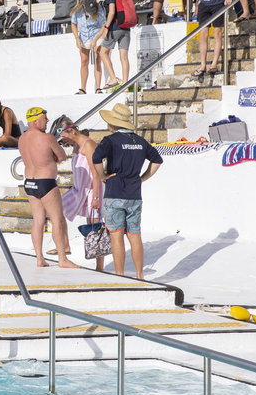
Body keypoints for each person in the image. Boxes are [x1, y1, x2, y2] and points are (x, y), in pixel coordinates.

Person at [91, 103, 162, 279]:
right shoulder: (140, 141)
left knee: (116, 235)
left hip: (114, 193)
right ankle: (139, 275)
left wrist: (102, 176)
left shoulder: (110, 140)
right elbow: (157, 160)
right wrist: (143, 178)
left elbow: (96, 158)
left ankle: (120, 275)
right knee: (134, 235)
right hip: (134, 195)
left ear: (113, 124)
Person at [19, 107, 78, 269]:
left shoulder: (22, 139)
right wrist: (50, 158)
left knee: (38, 220)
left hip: (29, 183)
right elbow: (61, 156)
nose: (47, 121)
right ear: (35, 120)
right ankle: (62, 259)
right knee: (57, 220)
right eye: (45, 118)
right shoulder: (47, 138)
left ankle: (39, 258)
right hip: (45, 182)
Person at [55, 119, 105, 271]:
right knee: (56, 210)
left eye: (63, 136)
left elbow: (96, 173)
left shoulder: (88, 144)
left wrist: (96, 197)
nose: (63, 140)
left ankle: (99, 267)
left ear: (72, 131)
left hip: (91, 190)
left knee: (94, 227)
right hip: (78, 190)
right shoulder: (76, 145)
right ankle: (66, 246)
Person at [70, 0, 108, 95]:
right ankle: (83, 88)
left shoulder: (99, 9)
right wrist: (77, 38)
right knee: (84, 61)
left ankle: (98, 87)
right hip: (84, 37)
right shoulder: (77, 10)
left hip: (97, 36)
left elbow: (103, 26)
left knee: (96, 60)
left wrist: (95, 40)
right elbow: (73, 24)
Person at [99, 0, 131, 89]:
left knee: (103, 52)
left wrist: (106, 28)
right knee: (124, 57)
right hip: (126, 28)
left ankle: (113, 78)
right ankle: (125, 84)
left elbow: (111, 12)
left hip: (115, 28)